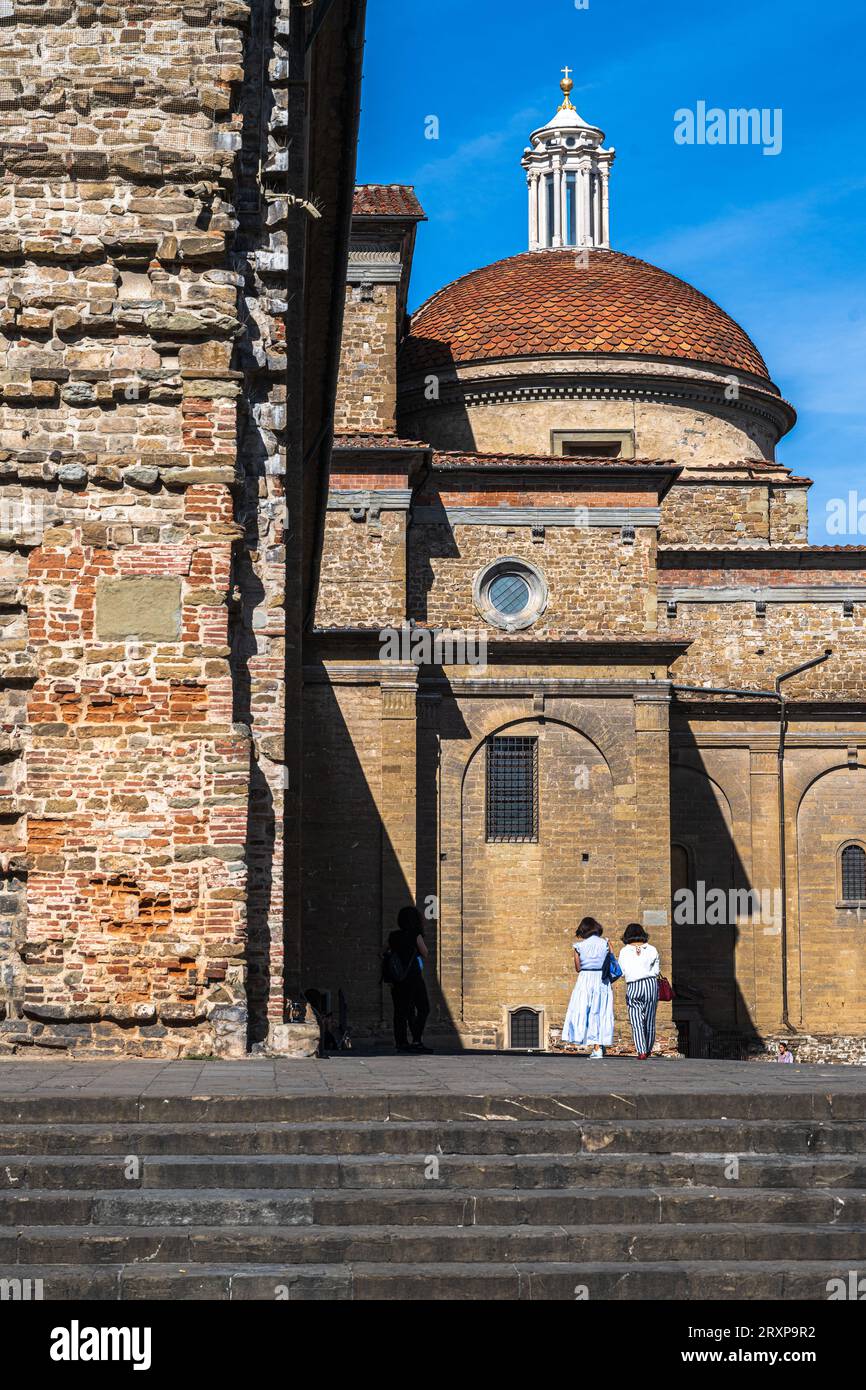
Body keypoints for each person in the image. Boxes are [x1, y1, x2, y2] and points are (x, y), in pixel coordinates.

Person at [562, 917, 615, 1059]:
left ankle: (596, 1047)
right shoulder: (606, 943)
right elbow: (612, 961)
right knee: (601, 1011)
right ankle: (600, 1044)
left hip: (585, 979)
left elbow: (578, 968)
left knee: (586, 1010)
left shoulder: (579, 946)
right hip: (602, 979)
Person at [386, 905, 432, 1053]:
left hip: (398, 980)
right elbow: (425, 953)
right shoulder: (416, 935)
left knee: (400, 1012)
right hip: (414, 979)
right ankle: (417, 1039)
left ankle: (401, 1042)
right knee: (423, 1008)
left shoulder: (393, 936)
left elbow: (382, 952)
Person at [618, 923, 661, 1059]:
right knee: (650, 1019)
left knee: (636, 1020)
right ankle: (648, 1048)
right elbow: (656, 970)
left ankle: (641, 1050)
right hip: (650, 984)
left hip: (633, 985)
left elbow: (622, 971)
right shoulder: (652, 949)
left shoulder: (624, 951)